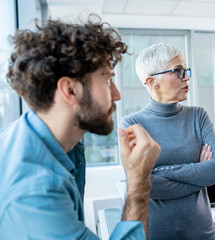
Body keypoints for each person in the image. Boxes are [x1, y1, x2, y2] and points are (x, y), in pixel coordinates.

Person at [0, 16, 161, 239]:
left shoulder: (63, 143)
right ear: (71, 90)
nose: (117, 95)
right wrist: (139, 179)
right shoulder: (36, 190)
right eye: (107, 80)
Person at [120, 43, 215, 240]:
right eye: (177, 71)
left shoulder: (199, 116)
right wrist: (198, 172)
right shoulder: (132, 124)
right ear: (152, 82)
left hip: (204, 235)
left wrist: (158, 172)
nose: (187, 77)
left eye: (185, 70)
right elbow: (143, 185)